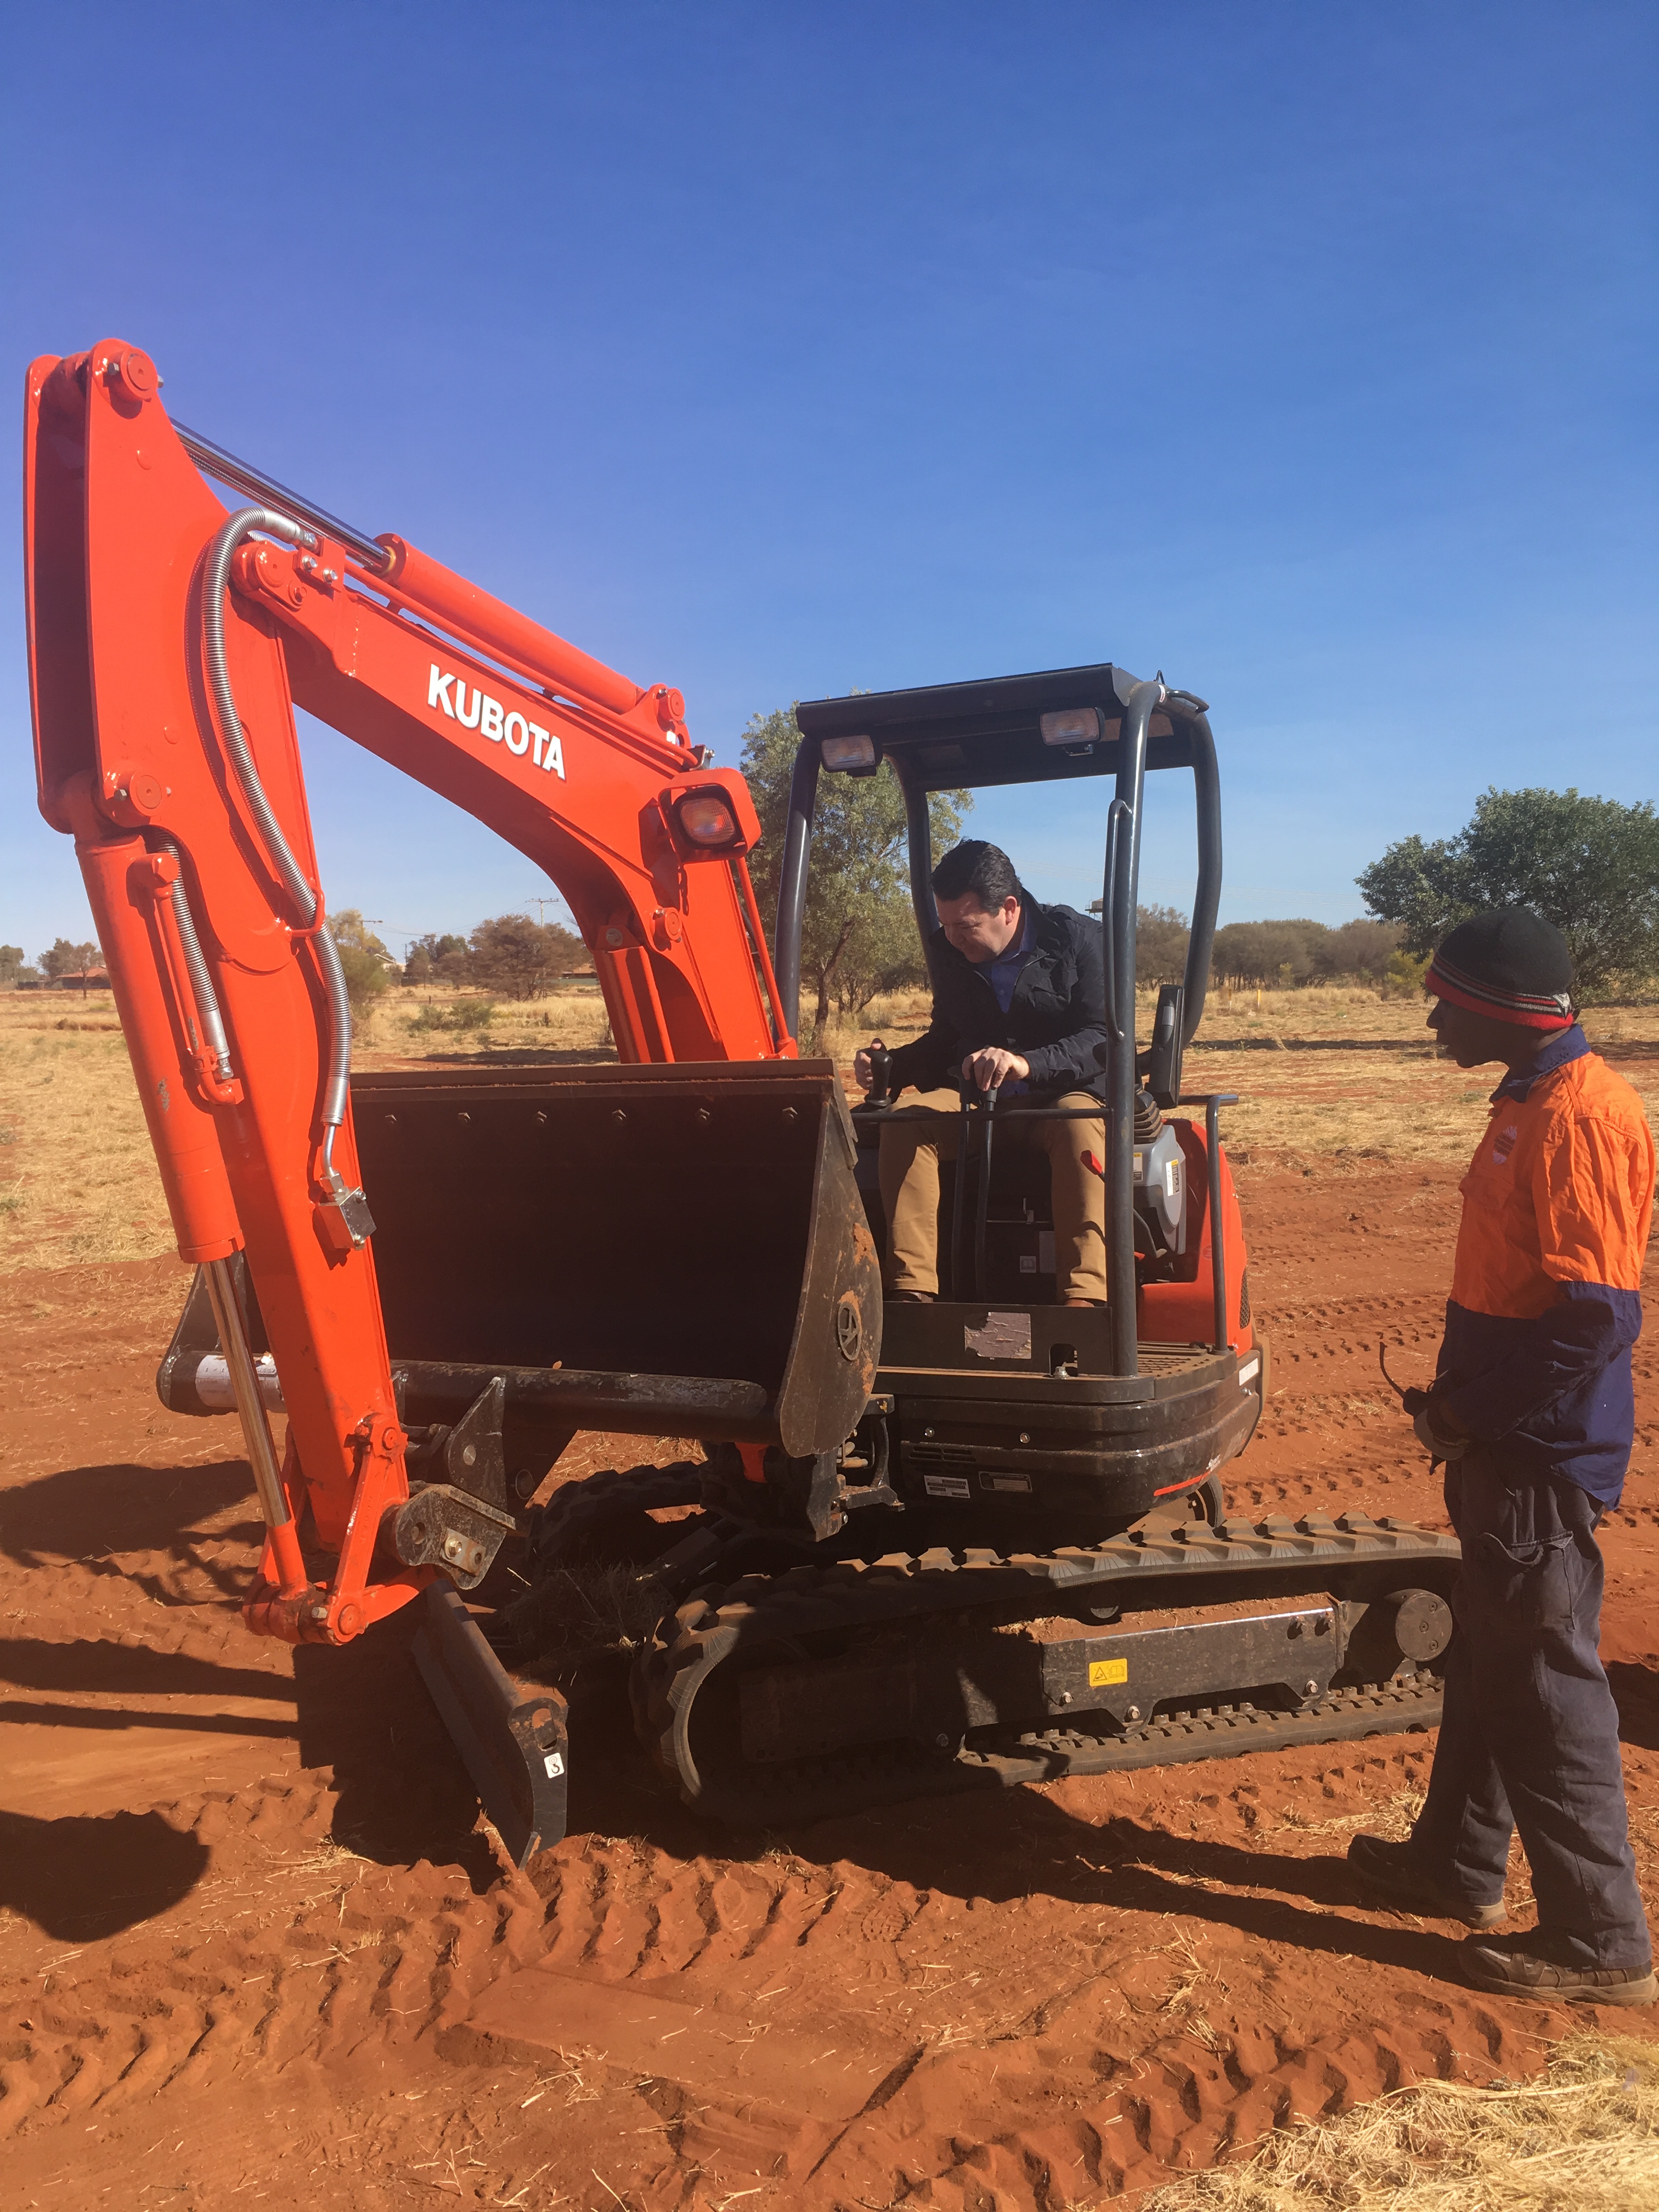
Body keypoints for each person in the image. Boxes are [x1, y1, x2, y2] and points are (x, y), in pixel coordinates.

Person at [1347, 907, 1656, 2005]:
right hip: (1504, 1438)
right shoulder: (1528, 1099)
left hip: (1536, 1454)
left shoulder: (1579, 1116)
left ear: (1499, 1006)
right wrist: (1460, 1401)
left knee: (1542, 1682)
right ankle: (1456, 1863)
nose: (1434, 1015)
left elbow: (1593, 1322)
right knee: (1488, 1660)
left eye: (1446, 998)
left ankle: (1601, 1941)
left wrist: (1474, 1417)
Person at [853, 840, 1108, 1306]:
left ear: (1009, 909)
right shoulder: (950, 951)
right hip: (978, 1100)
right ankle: (912, 1295)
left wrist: (1028, 1064)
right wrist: (892, 1066)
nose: (952, 938)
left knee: (1076, 1125)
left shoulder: (1078, 939)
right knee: (907, 1119)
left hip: (1060, 1096)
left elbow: (1103, 1039)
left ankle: (1085, 1301)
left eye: (965, 926)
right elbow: (947, 1036)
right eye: (945, 925)